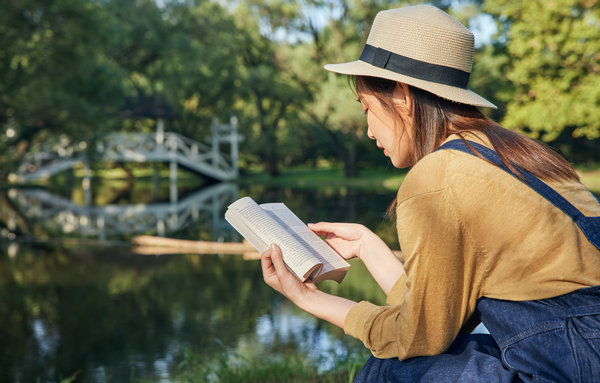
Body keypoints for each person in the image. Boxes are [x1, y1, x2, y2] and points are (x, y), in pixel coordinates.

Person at [260, 4, 600, 382]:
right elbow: (434, 318)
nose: (369, 130)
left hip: (574, 364)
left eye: (367, 108)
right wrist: (369, 247)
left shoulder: (437, 177)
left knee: (391, 370)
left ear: (402, 96)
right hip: (581, 350)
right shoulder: (506, 152)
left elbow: (415, 339)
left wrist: (309, 298)